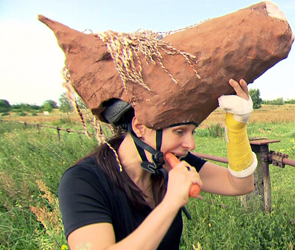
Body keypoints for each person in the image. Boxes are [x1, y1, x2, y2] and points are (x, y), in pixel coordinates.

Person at [57, 78, 258, 250]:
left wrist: (237, 127)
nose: (191, 144)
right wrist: (172, 201)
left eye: (192, 132)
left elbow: (240, 184)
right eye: (179, 132)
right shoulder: (83, 181)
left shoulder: (169, 162)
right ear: (139, 127)